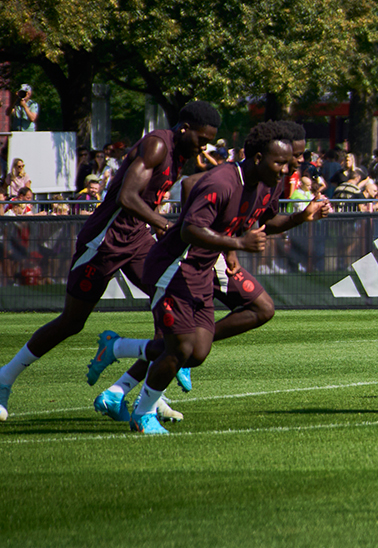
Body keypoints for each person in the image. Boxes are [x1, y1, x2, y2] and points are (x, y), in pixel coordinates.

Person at [88, 122, 327, 426]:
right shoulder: (222, 181)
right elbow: (188, 229)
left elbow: (266, 221)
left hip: (202, 269)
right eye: (282, 160)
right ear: (258, 158)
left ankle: (118, 347)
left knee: (197, 352)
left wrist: (301, 217)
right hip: (173, 267)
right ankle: (144, 413)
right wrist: (238, 243)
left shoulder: (268, 183)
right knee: (182, 348)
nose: (288, 167)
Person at [0, 101, 222, 423]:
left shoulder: (183, 155)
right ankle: (4, 378)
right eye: (202, 138)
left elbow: (175, 190)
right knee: (71, 322)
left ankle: (147, 392)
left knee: (170, 303)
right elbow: (126, 197)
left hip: (138, 240)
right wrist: (162, 224)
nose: (205, 145)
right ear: (184, 128)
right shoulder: (158, 144)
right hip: (104, 241)